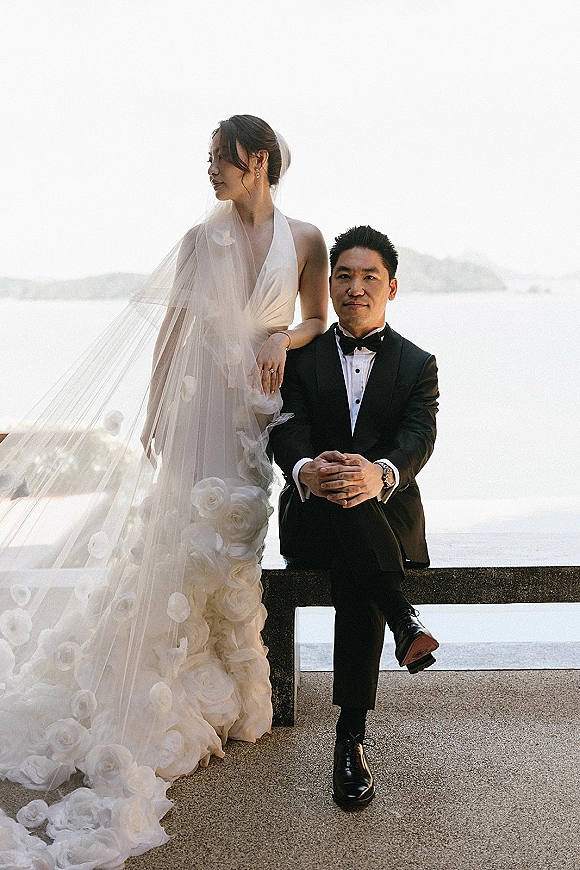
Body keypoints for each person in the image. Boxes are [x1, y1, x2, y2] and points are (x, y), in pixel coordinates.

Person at [0, 115, 327, 865]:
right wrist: (154, 412)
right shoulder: (198, 241)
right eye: (210, 158)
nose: (209, 169)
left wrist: (283, 338)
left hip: (255, 410)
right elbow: (174, 329)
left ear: (259, 160)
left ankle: (237, 692)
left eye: (220, 158)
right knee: (181, 540)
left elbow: (316, 317)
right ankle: (171, 690)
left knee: (234, 544)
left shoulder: (306, 237)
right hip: (196, 406)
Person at [269, 225, 439, 810]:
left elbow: (419, 438)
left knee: (357, 550)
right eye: (343, 276)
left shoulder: (418, 364)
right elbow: (285, 427)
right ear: (329, 285)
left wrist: (380, 474)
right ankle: (403, 621)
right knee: (346, 519)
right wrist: (307, 471)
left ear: (391, 287)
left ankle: (350, 740)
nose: (355, 287)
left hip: (387, 519)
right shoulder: (302, 356)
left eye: (369, 277)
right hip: (314, 515)